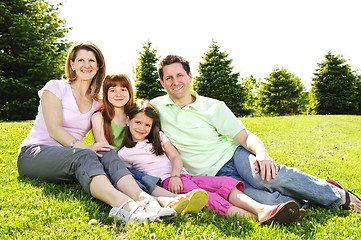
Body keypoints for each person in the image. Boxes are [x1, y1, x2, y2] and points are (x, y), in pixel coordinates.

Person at [150, 55, 361, 214]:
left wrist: (262, 154)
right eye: (168, 78)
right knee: (268, 203)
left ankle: (339, 196)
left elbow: (244, 137)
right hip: (214, 175)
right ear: (162, 83)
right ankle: (310, 198)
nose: (175, 82)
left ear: (190, 76)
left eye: (179, 75)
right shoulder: (156, 108)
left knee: (270, 177)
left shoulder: (213, 107)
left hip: (235, 156)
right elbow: (128, 114)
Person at [16, 41, 176, 225]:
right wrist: (86, 147)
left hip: (70, 157)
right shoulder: (55, 87)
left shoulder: (97, 102)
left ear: (98, 66)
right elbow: (54, 130)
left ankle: (145, 199)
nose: (86, 65)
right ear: (72, 64)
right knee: (86, 154)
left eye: (92, 60)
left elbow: (122, 108)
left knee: (106, 151)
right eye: (81, 60)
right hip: (34, 154)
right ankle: (127, 207)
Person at [118, 99, 304, 224]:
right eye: (137, 123)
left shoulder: (158, 137)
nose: (142, 128)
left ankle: (262, 209)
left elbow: (174, 157)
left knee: (225, 185)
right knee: (210, 198)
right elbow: (133, 179)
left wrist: (176, 175)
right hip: (169, 185)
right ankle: (255, 218)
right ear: (128, 121)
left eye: (147, 124)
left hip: (183, 176)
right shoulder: (125, 153)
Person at [91, 73, 209, 215]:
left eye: (123, 89)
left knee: (143, 176)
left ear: (130, 92)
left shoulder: (134, 114)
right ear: (105, 93)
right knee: (136, 177)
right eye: (112, 90)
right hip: (113, 164)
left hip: (133, 161)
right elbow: (104, 147)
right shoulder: (100, 116)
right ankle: (169, 199)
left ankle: (167, 200)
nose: (118, 94)